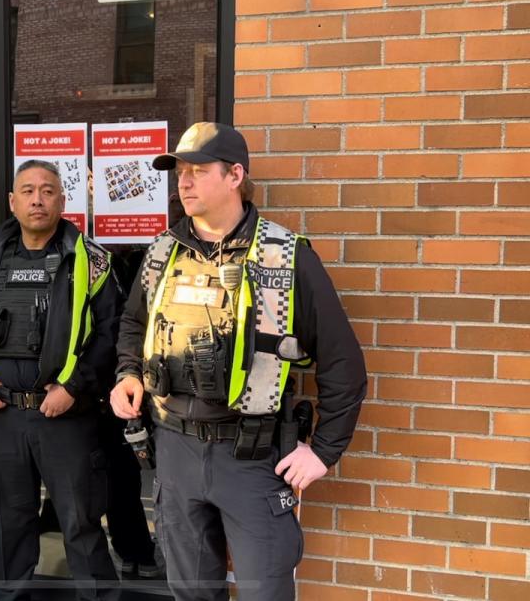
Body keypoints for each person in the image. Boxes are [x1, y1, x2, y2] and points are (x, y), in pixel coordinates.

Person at [110, 122, 367, 601]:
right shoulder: (163, 252)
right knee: (190, 592)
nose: (183, 181)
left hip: (253, 459)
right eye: (179, 171)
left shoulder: (286, 256)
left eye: (197, 170)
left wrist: (324, 451)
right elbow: (132, 327)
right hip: (175, 451)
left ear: (234, 175)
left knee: (264, 593)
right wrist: (128, 375)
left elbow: (343, 364)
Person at [0, 160, 121, 601]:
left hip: (66, 416)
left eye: (47, 191)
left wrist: (72, 387)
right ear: (12, 201)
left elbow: (111, 335)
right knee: (8, 522)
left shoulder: (91, 262)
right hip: (3, 416)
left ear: (61, 200)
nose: (37, 199)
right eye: (27, 191)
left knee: (79, 522)